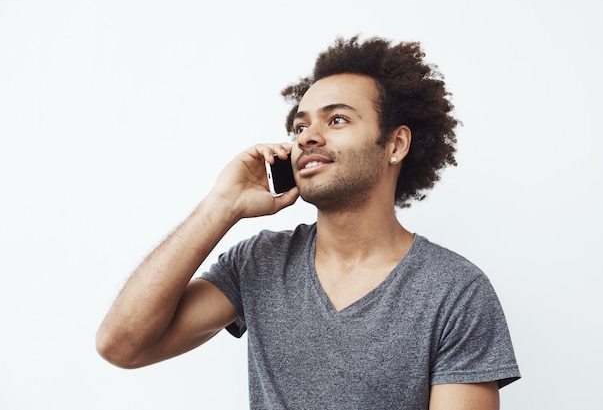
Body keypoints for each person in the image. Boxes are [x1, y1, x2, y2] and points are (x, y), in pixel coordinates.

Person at [96, 35, 521, 409]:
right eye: (300, 125)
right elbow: (123, 346)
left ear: (395, 143)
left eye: (336, 120)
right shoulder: (259, 262)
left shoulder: (455, 291)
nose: (306, 137)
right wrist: (220, 206)